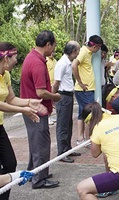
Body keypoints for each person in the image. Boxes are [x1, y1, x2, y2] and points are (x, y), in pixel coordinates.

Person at [0, 42, 47, 198]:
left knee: (10, 163)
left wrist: (29, 102)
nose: (17, 60)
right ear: (6, 58)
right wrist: (23, 110)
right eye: (15, 57)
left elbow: (11, 98)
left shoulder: (5, 74)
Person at [77, 102, 119, 199]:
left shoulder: (97, 128)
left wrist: (92, 135)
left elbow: (94, 154)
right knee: (111, 154)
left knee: (82, 189)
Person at [20, 30, 61, 189]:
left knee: (35, 144)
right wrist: (55, 97)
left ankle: (35, 172)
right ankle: (39, 179)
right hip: (37, 110)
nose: (54, 49)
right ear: (48, 45)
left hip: (30, 109)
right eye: (54, 45)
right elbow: (40, 92)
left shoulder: (32, 57)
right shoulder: (37, 63)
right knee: (41, 145)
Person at [52, 41, 81, 163]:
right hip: (62, 96)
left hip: (68, 96)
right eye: (77, 51)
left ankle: (67, 149)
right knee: (62, 126)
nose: (78, 54)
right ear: (73, 51)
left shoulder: (68, 63)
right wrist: (54, 99)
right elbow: (56, 84)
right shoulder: (62, 64)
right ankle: (62, 152)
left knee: (68, 124)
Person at [72, 35, 103, 145]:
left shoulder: (87, 52)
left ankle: (81, 138)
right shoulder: (84, 52)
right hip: (85, 89)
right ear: (96, 46)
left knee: (82, 113)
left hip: (86, 89)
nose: (99, 50)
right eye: (99, 47)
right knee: (90, 114)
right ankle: (90, 138)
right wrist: (80, 82)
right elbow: (74, 65)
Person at [46, 52, 57, 125]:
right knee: (48, 102)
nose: (52, 53)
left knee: (53, 102)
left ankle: (50, 116)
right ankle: (47, 117)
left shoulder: (55, 61)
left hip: (54, 84)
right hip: (48, 84)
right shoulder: (46, 60)